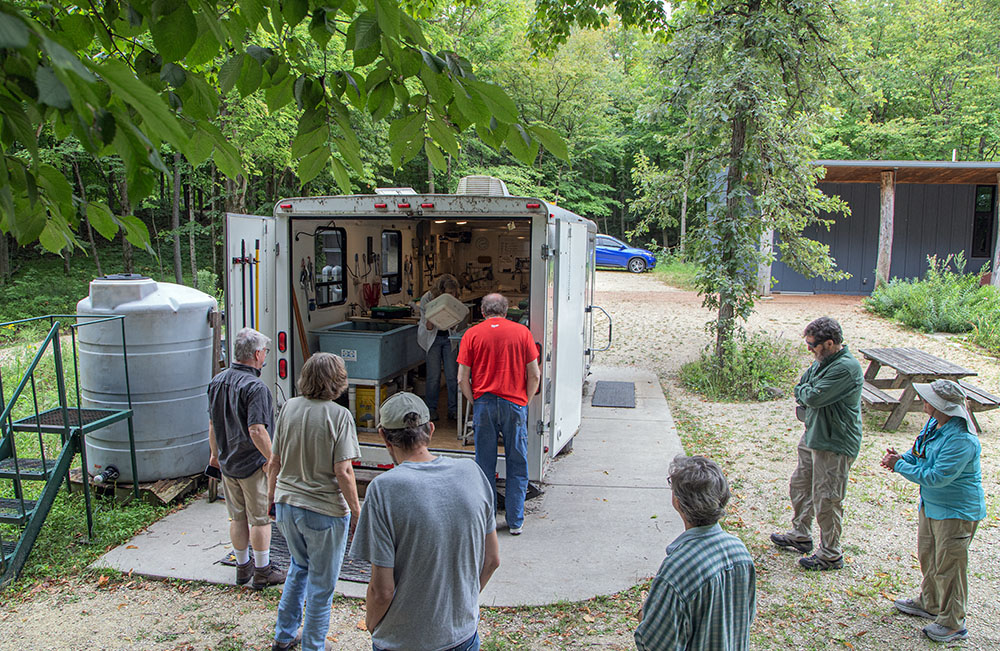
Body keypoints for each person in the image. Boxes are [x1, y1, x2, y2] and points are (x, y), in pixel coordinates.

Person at [349, 392, 500, 651]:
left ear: (384, 437)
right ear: (430, 430)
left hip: (402, 641)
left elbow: (382, 590)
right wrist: (462, 606)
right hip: (463, 636)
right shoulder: (472, 472)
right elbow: (493, 560)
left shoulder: (383, 490)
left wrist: (373, 624)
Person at [267, 353, 362, 651]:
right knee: (322, 586)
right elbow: (343, 470)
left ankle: (284, 636)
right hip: (325, 511)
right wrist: (357, 511)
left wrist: (271, 500)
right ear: (338, 381)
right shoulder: (339, 416)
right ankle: (313, 646)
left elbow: (274, 461)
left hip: (287, 505)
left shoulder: (289, 408)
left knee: (298, 567)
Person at [880, 379, 985, 644]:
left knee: (949, 566)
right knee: (929, 556)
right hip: (932, 505)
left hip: (956, 511)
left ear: (940, 406)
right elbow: (919, 452)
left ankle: (952, 623)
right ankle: (931, 602)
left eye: (927, 399)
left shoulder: (962, 440)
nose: (923, 401)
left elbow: (937, 476)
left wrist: (899, 466)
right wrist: (902, 459)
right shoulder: (935, 425)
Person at [770, 316, 863, 571]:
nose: (809, 349)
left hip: (834, 442)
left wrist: (806, 393)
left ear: (830, 343)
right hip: (814, 435)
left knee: (828, 498)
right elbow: (802, 385)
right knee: (800, 484)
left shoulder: (845, 367)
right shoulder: (823, 362)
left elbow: (812, 395)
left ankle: (831, 553)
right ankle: (801, 534)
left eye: (813, 345)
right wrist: (805, 392)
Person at [635, 455, 756, 651]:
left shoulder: (678, 568)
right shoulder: (739, 551)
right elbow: (745, 618)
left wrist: (645, 615)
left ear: (677, 502)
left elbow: (653, 644)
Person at [207, 327, 285, 589]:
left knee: (236, 517)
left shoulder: (216, 382)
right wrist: (273, 458)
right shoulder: (255, 387)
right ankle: (263, 571)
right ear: (256, 353)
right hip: (254, 465)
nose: (265, 357)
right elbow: (256, 430)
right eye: (265, 353)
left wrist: (214, 456)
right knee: (260, 519)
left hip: (228, 462)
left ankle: (242, 568)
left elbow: (212, 424)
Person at [457, 292, 540, 535]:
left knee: (484, 464)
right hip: (514, 404)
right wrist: (524, 400)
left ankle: (488, 520)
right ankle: (515, 521)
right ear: (506, 311)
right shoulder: (522, 333)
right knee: (517, 461)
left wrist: (475, 400)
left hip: (484, 403)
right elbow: (534, 374)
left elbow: (462, 377)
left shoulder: (471, 334)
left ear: (482, 312)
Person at [417, 273, 464, 421]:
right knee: (433, 377)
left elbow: (458, 321)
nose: (453, 295)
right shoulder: (428, 298)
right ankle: (431, 409)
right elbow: (429, 327)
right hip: (433, 339)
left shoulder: (454, 300)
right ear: (441, 291)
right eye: (449, 293)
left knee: (452, 375)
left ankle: (454, 409)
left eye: (454, 293)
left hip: (449, 338)